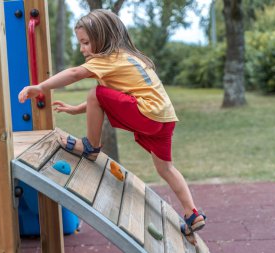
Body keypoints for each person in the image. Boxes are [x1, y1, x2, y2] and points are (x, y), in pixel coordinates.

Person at [18, 9, 206, 237]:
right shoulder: (127, 57)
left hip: (147, 113)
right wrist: (79, 108)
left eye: (86, 42)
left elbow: (76, 73)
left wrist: (40, 87)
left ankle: (90, 147)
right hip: (165, 118)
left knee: (96, 92)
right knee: (165, 168)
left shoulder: (106, 59)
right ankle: (192, 213)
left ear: (102, 37)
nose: (82, 49)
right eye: (80, 43)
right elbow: (117, 96)